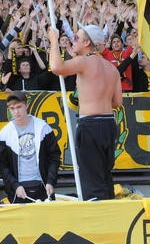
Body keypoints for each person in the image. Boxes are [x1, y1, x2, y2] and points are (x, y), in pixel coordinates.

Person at [48, 24, 122, 200]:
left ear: (87, 42)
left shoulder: (84, 61)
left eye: (76, 38)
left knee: (92, 179)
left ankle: (97, 221)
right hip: (108, 124)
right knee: (104, 176)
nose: (73, 41)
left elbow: (56, 67)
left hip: (91, 124)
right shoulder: (112, 68)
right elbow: (117, 102)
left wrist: (53, 40)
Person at [0, 91, 61, 203]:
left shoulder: (43, 128)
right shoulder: (4, 134)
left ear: (26, 105)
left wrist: (50, 181)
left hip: (43, 185)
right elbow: (2, 165)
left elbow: (54, 157)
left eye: (19, 107)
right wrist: (15, 186)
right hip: (19, 189)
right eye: (12, 108)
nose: (16, 112)